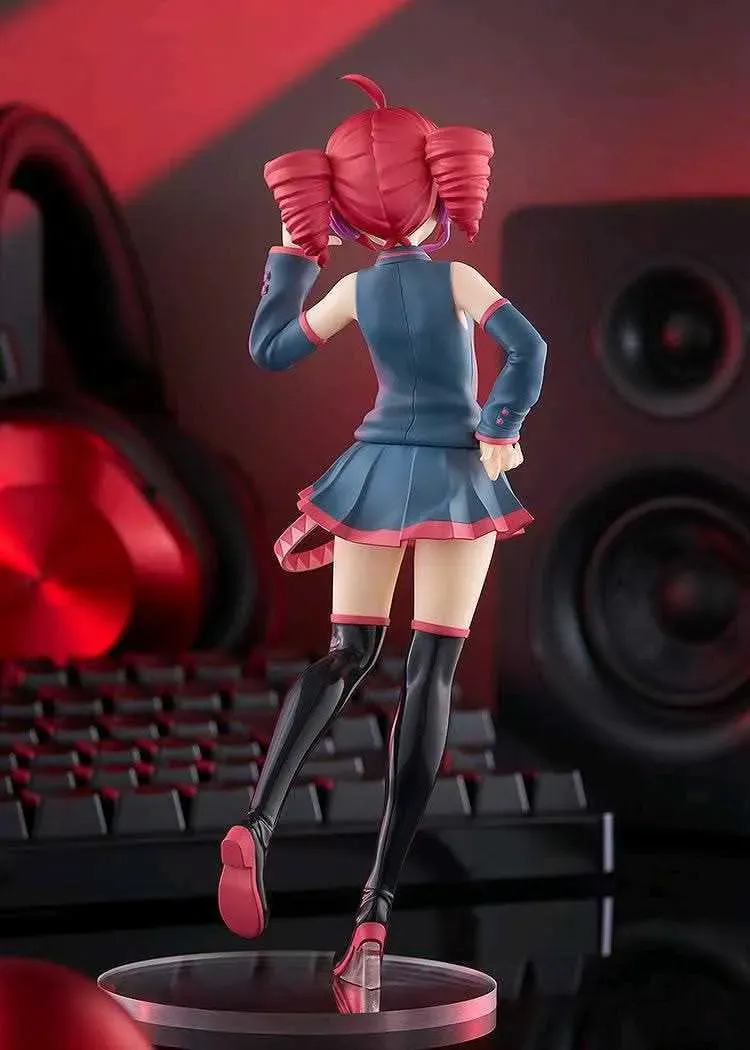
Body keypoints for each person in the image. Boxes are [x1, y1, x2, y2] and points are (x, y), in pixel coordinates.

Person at [218, 73, 547, 989]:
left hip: (371, 473)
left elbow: (269, 350)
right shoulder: (459, 279)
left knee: (345, 656)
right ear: (440, 188)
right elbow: (530, 349)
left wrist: (295, 256)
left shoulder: (358, 292)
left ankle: (258, 820)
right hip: (457, 479)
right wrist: (501, 425)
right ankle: (374, 912)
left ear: (349, 210)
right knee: (430, 671)